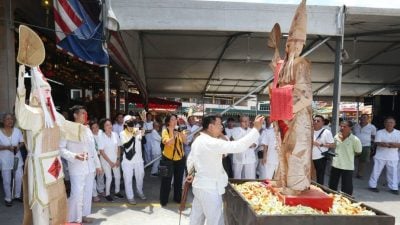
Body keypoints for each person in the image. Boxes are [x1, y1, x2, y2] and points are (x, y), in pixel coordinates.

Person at [16, 63, 84, 225]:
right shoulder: (31, 113)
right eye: (44, 89)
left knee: (57, 200)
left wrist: (83, 127)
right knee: (41, 203)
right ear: (35, 93)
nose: (48, 92)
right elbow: (20, 112)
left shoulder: (55, 116)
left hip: (54, 165)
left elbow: (70, 129)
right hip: (39, 166)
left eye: (49, 90)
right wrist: (21, 76)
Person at [187, 115, 264, 225]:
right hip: (210, 189)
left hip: (199, 186)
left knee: (196, 220)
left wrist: (191, 173)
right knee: (216, 221)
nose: (221, 127)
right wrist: (256, 129)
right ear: (210, 126)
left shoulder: (199, 139)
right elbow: (238, 146)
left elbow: (191, 160)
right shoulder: (211, 142)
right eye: (219, 125)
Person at [59, 105, 102, 223]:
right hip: (76, 167)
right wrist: (74, 156)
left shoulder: (87, 130)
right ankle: (72, 218)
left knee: (88, 193)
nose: (85, 115)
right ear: (75, 115)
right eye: (82, 113)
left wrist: (98, 165)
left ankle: (84, 215)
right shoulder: (66, 129)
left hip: (90, 168)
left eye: (85, 113)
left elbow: (93, 150)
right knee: (77, 194)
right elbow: (60, 149)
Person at [159, 114, 187, 206]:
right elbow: (167, 143)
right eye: (172, 119)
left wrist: (182, 133)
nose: (175, 121)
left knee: (178, 180)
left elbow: (185, 141)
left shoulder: (179, 129)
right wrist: (174, 136)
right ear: (168, 122)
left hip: (180, 159)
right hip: (168, 159)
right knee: (166, 180)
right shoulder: (165, 130)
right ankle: (164, 200)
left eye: (176, 119)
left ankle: (177, 198)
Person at [328, 121, 362, 196]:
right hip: (336, 164)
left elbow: (358, 152)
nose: (342, 128)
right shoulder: (336, 136)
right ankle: (331, 198)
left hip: (347, 166)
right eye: (341, 126)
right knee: (332, 185)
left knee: (347, 187)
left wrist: (347, 155)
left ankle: (347, 200)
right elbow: (334, 146)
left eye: (345, 126)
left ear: (350, 128)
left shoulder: (355, 140)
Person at [368, 116, 400, 195]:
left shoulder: (398, 133)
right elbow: (377, 142)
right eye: (387, 122)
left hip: (393, 157)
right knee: (376, 171)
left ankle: (393, 188)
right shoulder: (380, 132)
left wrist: (387, 144)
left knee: (393, 173)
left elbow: (399, 144)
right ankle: (372, 185)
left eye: (391, 122)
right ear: (384, 124)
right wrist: (391, 145)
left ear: (394, 124)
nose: (389, 124)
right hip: (380, 156)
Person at [120, 115, 146, 205]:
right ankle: (130, 196)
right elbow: (126, 145)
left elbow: (143, 138)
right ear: (125, 124)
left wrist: (143, 122)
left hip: (138, 160)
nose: (131, 123)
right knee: (128, 179)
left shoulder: (137, 130)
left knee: (140, 177)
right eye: (129, 122)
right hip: (128, 161)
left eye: (132, 121)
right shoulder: (122, 133)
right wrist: (133, 136)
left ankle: (139, 191)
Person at [0, 113, 24, 206]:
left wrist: (18, 146)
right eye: (7, 119)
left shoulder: (17, 131)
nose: (10, 121)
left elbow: (22, 142)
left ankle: (17, 195)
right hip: (5, 159)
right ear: (3, 121)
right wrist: (6, 147)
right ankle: (8, 198)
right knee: (6, 179)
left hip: (16, 158)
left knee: (18, 177)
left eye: (11, 119)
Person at [99, 119, 123, 201]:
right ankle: (107, 194)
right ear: (104, 127)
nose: (109, 126)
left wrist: (118, 159)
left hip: (115, 160)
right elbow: (101, 151)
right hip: (106, 161)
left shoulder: (115, 134)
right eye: (107, 125)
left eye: (110, 124)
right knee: (109, 177)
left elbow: (119, 147)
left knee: (118, 176)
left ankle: (117, 192)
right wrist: (110, 162)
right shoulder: (101, 136)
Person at [312, 115, 335, 185]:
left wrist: (320, 144)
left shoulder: (326, 132)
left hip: (320, 158)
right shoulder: (309, 131)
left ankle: (320, 191)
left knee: (320, 176)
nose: (315, 122)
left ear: (323, 123)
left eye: (318, 121)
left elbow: (333, 145)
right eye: (314, 120)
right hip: (309, 157)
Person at [353, 114, 376, 179]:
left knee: (362, 161)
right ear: (360, 118)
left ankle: (360, 174)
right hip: (355, 145)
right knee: (351, 158)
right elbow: (353, 134)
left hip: (366, 146)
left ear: (368, 119)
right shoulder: (356, 126)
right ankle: (348, 171)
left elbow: (373, 137)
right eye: (362, 117)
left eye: (365, 118)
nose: (363, 119)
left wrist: (372, 145)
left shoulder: (372, 127)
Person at [89, 120, 105, 202]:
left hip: (102, 156)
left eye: (97, 127)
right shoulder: (90, 136)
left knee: (101, 174)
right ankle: (94, 194)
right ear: (91, 129)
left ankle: (101, 189)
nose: (95, 129)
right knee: (93, 176)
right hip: (93, 158)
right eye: (93, 128)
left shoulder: (101, 133)